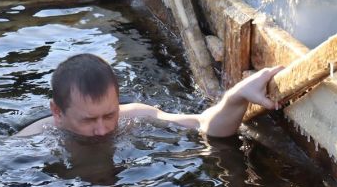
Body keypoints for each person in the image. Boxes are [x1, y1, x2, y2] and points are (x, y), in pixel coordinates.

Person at [17, 53, 282, 138]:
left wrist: (237, 96)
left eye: (110, 114)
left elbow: (203, 124)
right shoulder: (33, 138)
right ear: (57, 112)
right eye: (88, 121)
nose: (103, 129)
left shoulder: (134, 116)